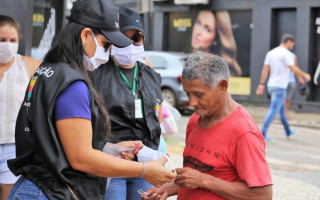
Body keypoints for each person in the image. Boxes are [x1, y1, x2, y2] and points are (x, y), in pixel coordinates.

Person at [6, 1, 175, 199]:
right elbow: (81, 158)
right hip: (49, 191)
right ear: (85, 35)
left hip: (35, 185)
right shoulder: (73, 83)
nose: (108, 52)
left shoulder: (49, 70)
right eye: (106, 44)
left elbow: (56, 138)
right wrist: (144, 170)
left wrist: (109, 148)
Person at [141, 53, 273, 200]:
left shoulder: (244, 132)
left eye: (198, 94)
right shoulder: (196, 119)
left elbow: (263, 195)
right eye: (188, 93)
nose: (191, 103)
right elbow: (195, 175)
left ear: (222, 86)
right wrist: (167, 188)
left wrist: (203, 180)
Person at [92, 7, 168, 200]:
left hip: (146, 163)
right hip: (112, 163)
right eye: (123, 37)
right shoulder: (95, 73)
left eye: (136, 38)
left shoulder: (151, 75)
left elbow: (157, 114)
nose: (131, 43)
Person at [0, 14, 40, 200]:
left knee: (10, 194)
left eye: (12, 40)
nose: (7, 44)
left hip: (15, 144)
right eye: (2, 40)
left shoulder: (28, 65)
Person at [256, 34, 311, 141]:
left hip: (271, 85)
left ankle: (288, 131)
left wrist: (261, 84)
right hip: (280, 86)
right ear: (288, 42)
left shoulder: (271, 53)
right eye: (292, 45)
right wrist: (304, 75)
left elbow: (265, 70)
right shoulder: (286, 53)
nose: (292, 47)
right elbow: (293, 68)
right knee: (273, 110)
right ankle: (262, 133)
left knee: (281, 111)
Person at [191, 10, 242, 77]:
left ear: (216, 39)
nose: (198, 32)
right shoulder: (184, 61)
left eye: (207, 29)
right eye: (198, 23)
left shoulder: (216, 69)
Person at [285, 53, 305, 119]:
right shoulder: (279, 53)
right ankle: (281, 114)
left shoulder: (293, 55)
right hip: (281, 81)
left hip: (291, 80)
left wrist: (300, 78)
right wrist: (304, 75)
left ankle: (285, 114)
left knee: (288, 99)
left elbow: (295, 67)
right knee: (280, 99)